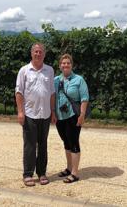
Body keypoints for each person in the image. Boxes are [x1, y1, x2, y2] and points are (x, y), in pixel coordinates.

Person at [15, 43, 56, 187]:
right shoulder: (24, 71)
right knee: (30, 146)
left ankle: (42, 173)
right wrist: (21, 112)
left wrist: (52, 111)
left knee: (43, 145)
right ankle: (27, 174)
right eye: (36, 52)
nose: (38, 54)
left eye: (40, 52)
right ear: (31, 53)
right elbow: (19, 92)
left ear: (44, 54)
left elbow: (52, 92)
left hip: (45, 114)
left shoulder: (49, 71)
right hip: (30, 114)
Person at [54, 54, 89, 183]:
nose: (65, 65)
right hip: (60, 116)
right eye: (63, 63)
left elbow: (85, 98)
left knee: (73, 142)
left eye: (68, 63)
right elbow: (53, 96)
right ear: (60, 65)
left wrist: (82, 115)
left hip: (74, 116)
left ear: (71, 65)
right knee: (66, 142)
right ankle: (69, 168)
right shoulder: (56, 80)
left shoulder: (79, 80)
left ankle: (75, 173)